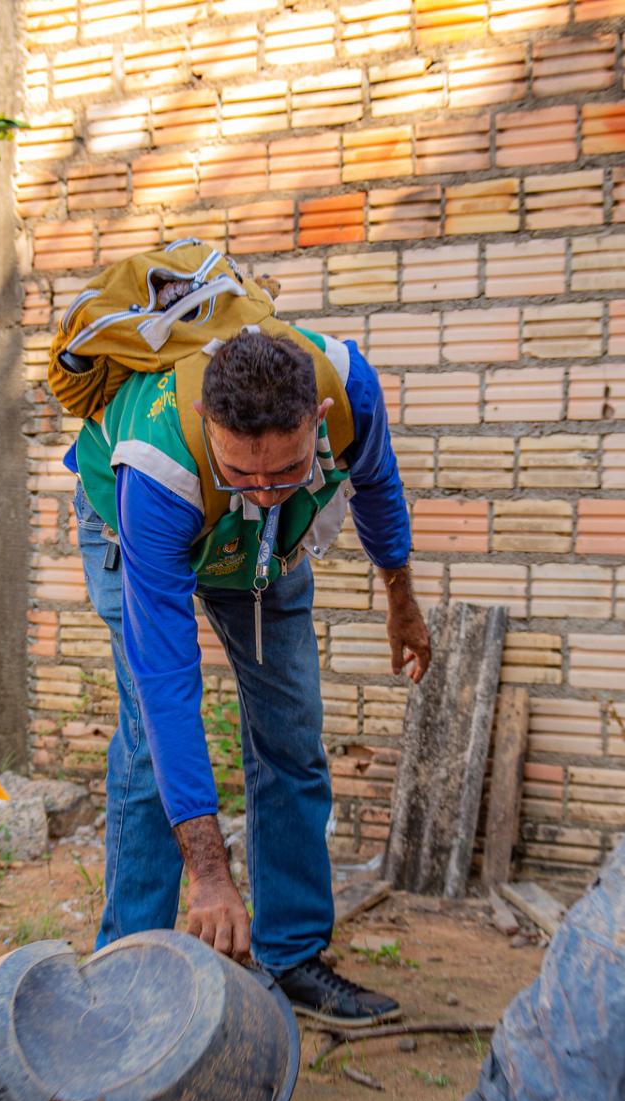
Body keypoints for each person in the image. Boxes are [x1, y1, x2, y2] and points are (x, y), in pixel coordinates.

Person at [64, 321, 431, 1027]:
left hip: (261, 557)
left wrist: (402, 600)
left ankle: (291, 955)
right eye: (244, 474)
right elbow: (170, 688)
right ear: (206, 421)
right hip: (135, 529)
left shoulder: (348, 387)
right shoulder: (156, 468)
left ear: (317, 420)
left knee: (291, 733)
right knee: (148, 744)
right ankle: (130, 970)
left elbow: (377, 485)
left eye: (286, 471)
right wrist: (209, 875)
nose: (265, 494)